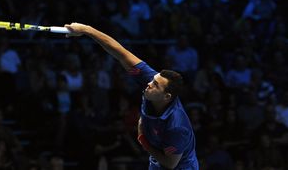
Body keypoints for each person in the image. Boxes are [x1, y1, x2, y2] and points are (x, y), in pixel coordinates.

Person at [64, 23, 198, 169]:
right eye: (153, 80)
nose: (149, 84)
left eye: (156, 85)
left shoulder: (177, 126)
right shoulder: (151, 81)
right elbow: (120, 53)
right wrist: (87, 30)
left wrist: (143, 140)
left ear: (167, 96)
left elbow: (170, 163)